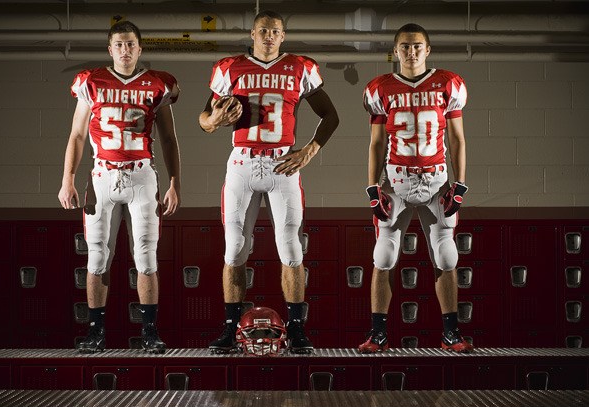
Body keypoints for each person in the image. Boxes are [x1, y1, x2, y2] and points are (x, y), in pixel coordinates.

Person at [198, 10, 339, 354]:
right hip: (242, 163)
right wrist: (215, 119)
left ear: (283, 35)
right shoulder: (230, 67)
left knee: (291, 248)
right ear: (252, 33)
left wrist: (308, 151)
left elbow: (331, 115)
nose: (269, 36)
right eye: (263, 31)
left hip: (282, 163)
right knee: (234, 248)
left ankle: (297, 329)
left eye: (275, 31)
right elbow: (204, 120)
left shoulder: (300, 67)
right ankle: (230, 329)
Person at [58, 20, 181, 354]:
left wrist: (174, 183)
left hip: (142, 175)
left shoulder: (158, 84)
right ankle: (95, 331)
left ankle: (150, 331)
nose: (125, 50)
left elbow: (169, 138)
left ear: (140, 48)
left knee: (146, 256)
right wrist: (67, 179)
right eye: (119, 44)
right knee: (97, 256)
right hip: (102, 176)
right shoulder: (91, 82)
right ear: (109, 48)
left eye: (131, 44)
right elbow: (78, 134)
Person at [359, 23, 473, 353]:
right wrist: (371, 187)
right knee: (383, 256)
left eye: (417, 46)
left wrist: (460, 184)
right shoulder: (380, 88)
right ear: (395, 52)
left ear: (428, 50)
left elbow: (457, 138)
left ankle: (451, 332)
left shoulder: (447, 84)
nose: (411, 52)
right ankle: (377, 332)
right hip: (395, 180)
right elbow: (376, 143)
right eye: (405, 46)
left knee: (447, 256)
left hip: (437, 179)